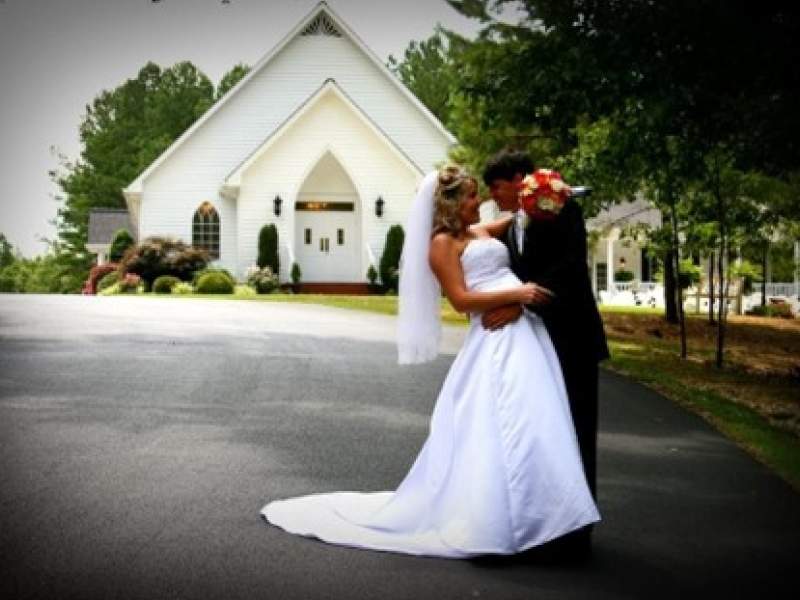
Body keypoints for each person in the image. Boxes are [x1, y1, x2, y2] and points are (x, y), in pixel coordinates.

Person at [260, 166, 599, 558]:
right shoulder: (441, 245)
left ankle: (540, 517)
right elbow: (461, 301)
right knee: (502, 425)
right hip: (493, 337)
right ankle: (494, 520)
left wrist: (552, 194)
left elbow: (524, 215)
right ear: (450, 203)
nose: (481, 202)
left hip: (525, 335)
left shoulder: (479, 232)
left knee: (537, 425)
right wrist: (517, 295)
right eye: (472, 196)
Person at [481, 150, 610, 557]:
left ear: (520, 180)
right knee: (543, 434)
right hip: (535, 345)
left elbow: (570, 267)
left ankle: (576, 533)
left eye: (497, 187)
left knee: (576, 430)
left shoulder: (561, 205)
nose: (493, 195)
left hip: (571, 337)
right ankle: (543, 524)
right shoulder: (511, 220)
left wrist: (520, 302)